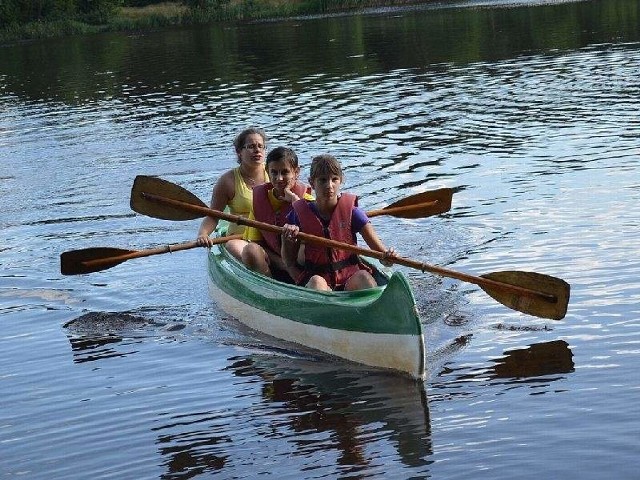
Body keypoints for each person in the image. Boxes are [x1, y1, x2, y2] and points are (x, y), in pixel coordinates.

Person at [281, 154, 396, 291]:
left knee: (364, 277)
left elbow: (381, 254)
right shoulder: (298, 214)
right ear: (312, 182)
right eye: (323, 180)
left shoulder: (353, 213)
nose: (329, 186)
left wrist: (388, 257)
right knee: (317, 282)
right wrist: (287, 239)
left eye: (334, 179)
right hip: (318, 280)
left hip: (349, 279)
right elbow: (289, 261)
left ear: (341, 181)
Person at [241, 146, 313, 282]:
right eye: (274, 172)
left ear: (296, 172)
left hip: (303, 265)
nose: (279, 178)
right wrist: (284, 264)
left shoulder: (308, 201)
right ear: (267, 172)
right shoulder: (258, 201)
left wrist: (295, 201)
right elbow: (256, 243)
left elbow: (317, 236)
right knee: (250, 250)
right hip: (273, 264)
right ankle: (270, 284)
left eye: (285, 172)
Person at [196, 127, 269, 259]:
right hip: (241, 239)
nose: (257, 150)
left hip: (270, 236)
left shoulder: (275, 174)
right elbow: (213, 215)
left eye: (260, 146)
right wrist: (203, 234)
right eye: (251, 146)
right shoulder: (227, 181)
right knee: (242, 250)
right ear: (239, 152)